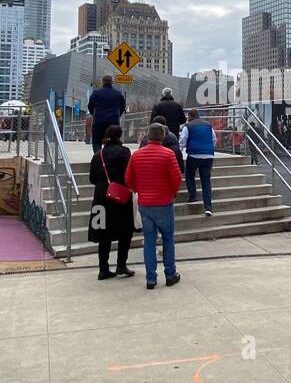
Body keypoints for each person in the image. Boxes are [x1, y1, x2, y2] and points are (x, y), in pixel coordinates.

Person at [125, 122, 183, 289]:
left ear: (147, 135)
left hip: (145, 205)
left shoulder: (136, 155)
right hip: (164, 203)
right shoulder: (168, 154)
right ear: (163, 136)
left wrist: (139, 190)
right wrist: (172, 192)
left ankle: (151, 279)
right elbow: (177, 178)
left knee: (149, 241)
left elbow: (128, 179)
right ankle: (170, 274)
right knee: (168, 239)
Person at [88, 125, 136, 281]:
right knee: (125, 231)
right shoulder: (125, 152)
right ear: (119, 136)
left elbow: (92, 179)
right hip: (120, 196)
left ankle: (103, 269)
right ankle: (121, 265)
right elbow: (130, 174)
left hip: (101, 197)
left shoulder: (98, 155)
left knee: (103, 234)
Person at [180, 109, 216, 216]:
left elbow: (183, 140)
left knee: (189, 175)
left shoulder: (188, 126)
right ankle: (208, 207)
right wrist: (209, 150)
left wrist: (179, 152)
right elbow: (214, 139)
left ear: (190, 116)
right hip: (208, 156)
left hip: (194, 155)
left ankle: (192, 197)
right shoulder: (208, 125)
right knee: (206, 181)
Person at [87, 75, 126, 154]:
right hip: (113, 121)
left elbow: (90, 106)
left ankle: (99, 159)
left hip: (99, 121)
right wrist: (117, 115)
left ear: (103, 82)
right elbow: (123, 106)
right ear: (112, 82)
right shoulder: (118, 94)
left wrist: (94, 114)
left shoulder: (96, 93)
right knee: (114, 141)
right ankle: (112, 157)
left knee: (97, 142)